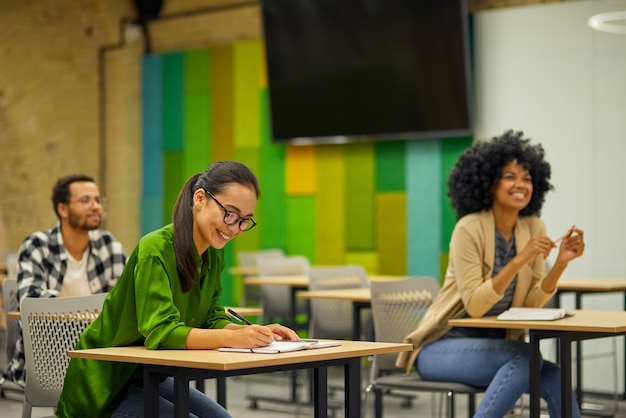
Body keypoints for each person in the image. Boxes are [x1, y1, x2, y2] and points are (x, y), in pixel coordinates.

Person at [56, 161, 300, 418]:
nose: (234, 228)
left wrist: (253, 333)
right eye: (229, 213)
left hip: (148, 376)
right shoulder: (155, 249)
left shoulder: (213, 254)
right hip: (107, 386)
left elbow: (211, 319)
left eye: (244, 221)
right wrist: (233, 338)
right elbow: (161, 332)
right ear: (200, 199)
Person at [396, 130, 586, 417]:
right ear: (488, 183)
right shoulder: (468, 229)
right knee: (524, 357)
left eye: (527, 178)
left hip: (500, 350)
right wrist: (520, 260)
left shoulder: (534, 227)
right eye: (510, 176)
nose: (520, 184)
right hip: (443, 348)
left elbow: (530, 306)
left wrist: (561, 263)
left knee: (556, 377)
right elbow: (475, 305)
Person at [1, 174, 126, 387]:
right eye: (86, 200)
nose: (95, 206)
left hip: (100, 352)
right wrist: (87, 308)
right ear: (63, 209)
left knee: (152, 384)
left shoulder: (108, 244)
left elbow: (127, 295)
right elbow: (31, 299)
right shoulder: (37, 246)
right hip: (49, 355)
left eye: (98, 200)